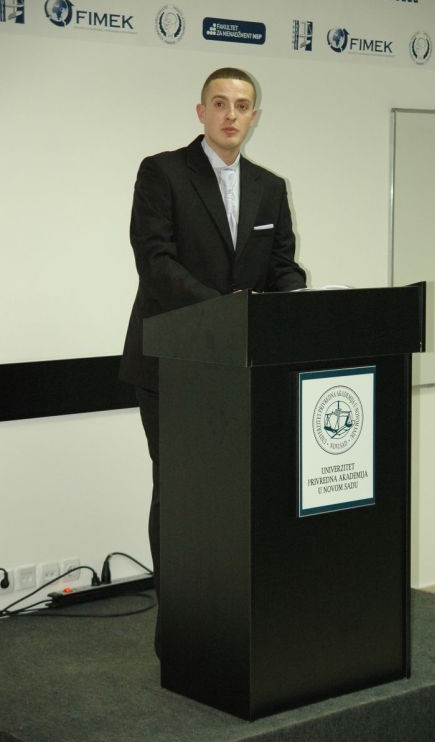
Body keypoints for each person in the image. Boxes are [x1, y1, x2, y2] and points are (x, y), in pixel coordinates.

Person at [119, 67, 306, 651]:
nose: (231, 114)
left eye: (242, 105)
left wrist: (297, 300)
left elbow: (282, 266)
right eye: (220, 103)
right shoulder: (162, 173)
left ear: (254, 117)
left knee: (237, 498)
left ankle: (232, 620)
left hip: (243, 372)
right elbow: (156, 263)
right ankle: (178, 631)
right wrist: (227, 310)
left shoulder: (270, 187)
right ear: (201, 112)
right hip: (171, 367)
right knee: (180, 496)